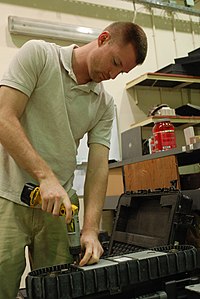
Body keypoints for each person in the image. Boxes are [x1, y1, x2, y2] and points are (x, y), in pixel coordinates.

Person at [0, 21, 147, 298]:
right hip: (7, 198)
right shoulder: (39, 56)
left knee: (58, 291)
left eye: (121, 71)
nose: (112, 75)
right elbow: (3, 117)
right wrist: (45, 177)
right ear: (103, 39)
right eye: (115, 62)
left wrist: (91, 230)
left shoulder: (104, 104)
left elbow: (98, 167)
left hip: (58, 212)